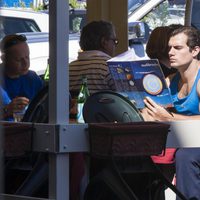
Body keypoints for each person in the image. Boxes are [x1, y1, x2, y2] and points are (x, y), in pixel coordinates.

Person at [143, 26, 200, 199]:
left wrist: (170, 118)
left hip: (193, 144)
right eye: (169, 48)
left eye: (178, 48)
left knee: (186, 156)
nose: (171, 52)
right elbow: (154, 113)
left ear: (195, 50)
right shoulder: (170, 80)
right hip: (181, 140)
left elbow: (168, 117)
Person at [69, 20, 118, 95]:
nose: (115, 46)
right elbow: (128, 98)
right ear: (104, 41)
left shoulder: (69, 68)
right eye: (115, 41)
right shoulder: (111, 67)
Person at [0, 34, 43, 102]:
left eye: (27, 57)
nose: (26, 63)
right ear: (4, 59)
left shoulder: (33, 78)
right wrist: (6, 110)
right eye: (19, 60)